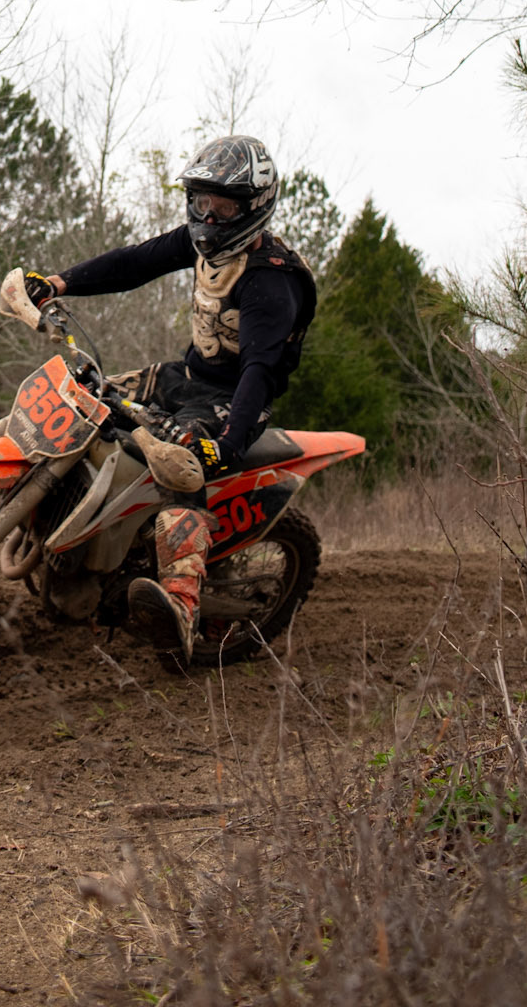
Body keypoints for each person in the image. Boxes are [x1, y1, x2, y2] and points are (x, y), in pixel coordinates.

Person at [32, 134, 315, 663]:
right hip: (183, 376)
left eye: (222, 207)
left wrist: (227, 445)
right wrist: (59, 283)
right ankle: (74, 534)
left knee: (181, 470)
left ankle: (182, 607)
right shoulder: (207, 243)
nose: (207, 216)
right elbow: (136, 263)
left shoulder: (271, 284)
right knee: (83, 396)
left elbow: (258, 370)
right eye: (201, 201)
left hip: (232, 401)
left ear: (254, 207)